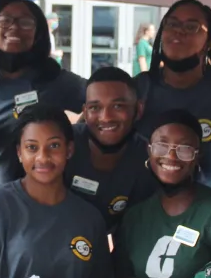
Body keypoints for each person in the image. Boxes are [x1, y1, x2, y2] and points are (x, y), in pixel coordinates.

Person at [0, 105, 113, 278]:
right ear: (19, 152)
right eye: (32, 147)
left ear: (69, 150)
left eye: (54, 146)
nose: (43, 157)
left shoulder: (89, 218)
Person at [116, 109, 211, 278]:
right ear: (149, 150)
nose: (171, 156)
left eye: (184, 149)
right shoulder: (134, 216)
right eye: (162, 145)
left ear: (198, 155)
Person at [135, 0, 211, 200]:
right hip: (147, 218)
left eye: (192, 27)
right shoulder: (139, 88)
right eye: (172, 24)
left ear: (208, 41)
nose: (179, 31)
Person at [0, 0, 86, 184]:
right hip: (4, 197)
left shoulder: (53, 79)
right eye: (4, 21)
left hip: (51, 193)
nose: (14, 27)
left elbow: (101, 97)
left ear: (38, 33)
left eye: (26, 22)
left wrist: (75, 134)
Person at [64, 67, 156, 232]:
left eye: (118, 106)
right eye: (95, 108)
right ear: (85, 111)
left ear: (138, 109)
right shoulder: (61, 146)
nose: (106, 117)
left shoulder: (149, 160)